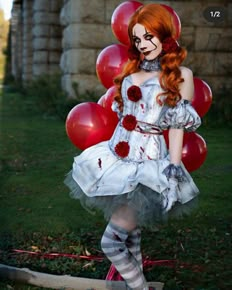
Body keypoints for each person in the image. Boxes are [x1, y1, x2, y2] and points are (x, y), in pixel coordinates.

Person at [65, 3, 201, 290]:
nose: (142, 45)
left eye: (148, 37)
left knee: (111, 242)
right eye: (137, 39)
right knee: (131, 234)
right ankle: (133, 284)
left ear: (164, 35)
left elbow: (176, 127)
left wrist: (174, 168)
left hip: (148, 164)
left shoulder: (180, 76)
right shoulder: (131, 72)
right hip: (117, 158)